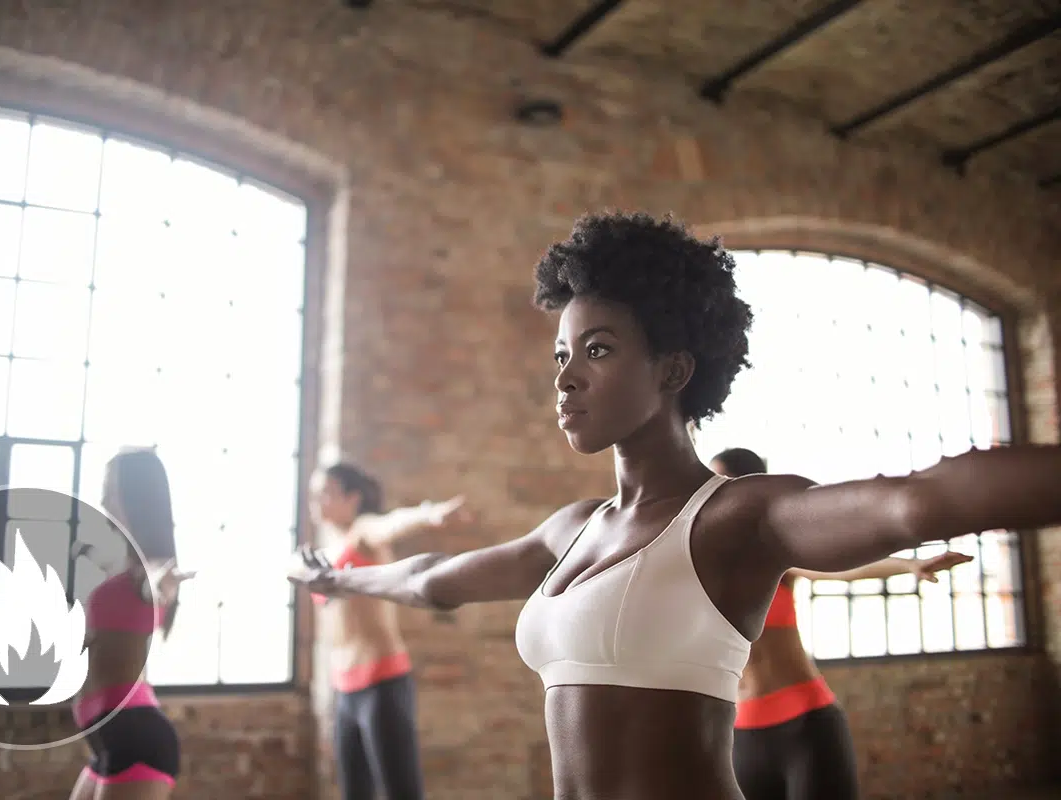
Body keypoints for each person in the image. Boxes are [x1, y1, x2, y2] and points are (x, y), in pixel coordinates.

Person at [288, 211, 1061, 800]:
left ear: (673, 368)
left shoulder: (739, 518)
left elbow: (918, 503)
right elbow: (435, 579)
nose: (564, 379)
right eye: (561, 354)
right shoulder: (571, 528)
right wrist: (343, 580)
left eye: (597, 350)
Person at [709, 447, 972, 800]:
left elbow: (845, 568)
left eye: (722, 482)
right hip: (742, 736)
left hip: (805, 726)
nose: (714, 492)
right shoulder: (705, 565)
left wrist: (908, 565)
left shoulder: (775, 557)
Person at [305, 462, 468, 800]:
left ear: (353, 498)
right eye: (314, 495)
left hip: (381, 683)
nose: (317, 502)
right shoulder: (324, 548)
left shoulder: (362, 532)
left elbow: (389, 525)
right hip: (344, 690)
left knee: (401, 793)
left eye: (326, 493)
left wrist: (429, 514)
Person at [68, 447, 194, 800]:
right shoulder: (123, 562)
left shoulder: (150, 568)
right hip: (106, 742)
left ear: (137, 496)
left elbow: (153, 582)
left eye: (112, 489)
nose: (103, 499)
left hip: (137, 739)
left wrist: (161, 584)